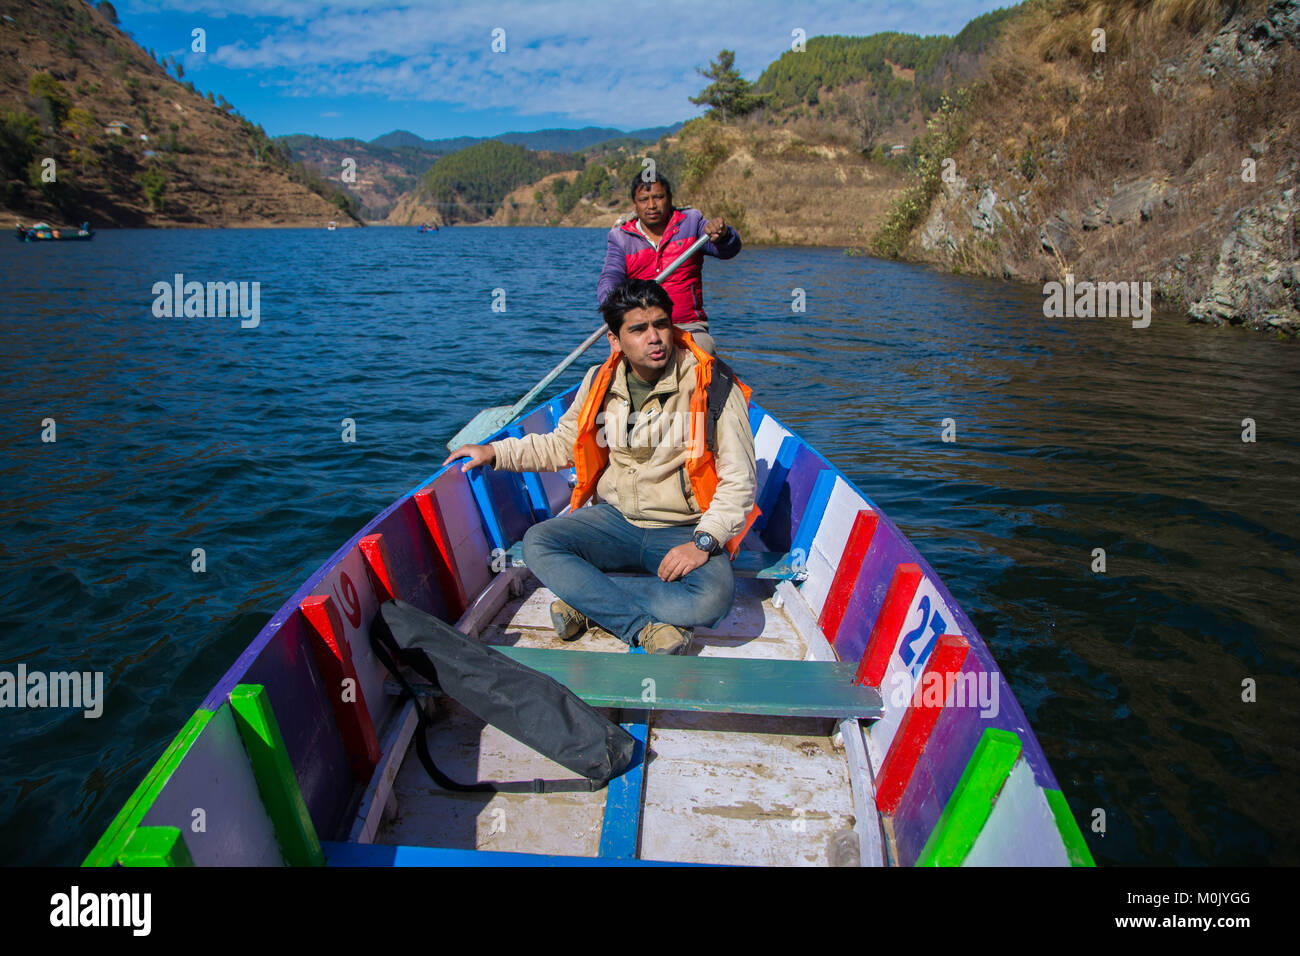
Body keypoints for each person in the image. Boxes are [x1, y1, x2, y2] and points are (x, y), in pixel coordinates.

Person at [443, 279, 758, 655]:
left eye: (661, 324)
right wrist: (495, 452)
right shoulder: (600, 380)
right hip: (615, 521)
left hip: (684, 526)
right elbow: (562, 445)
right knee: (539, 542)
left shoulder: (713, 383)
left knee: (713, 599)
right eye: (638, 330)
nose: (654, 337)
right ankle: (642, 628)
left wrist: (703, 542)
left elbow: (740, 480)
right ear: (615, 340)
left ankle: (589, 605)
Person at [597, 173, 741, 356]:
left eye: (658, 197)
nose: (651, 205)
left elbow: (729, 250)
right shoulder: (621, 237)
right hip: (641, 325)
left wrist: (724, 236)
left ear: (670, 198)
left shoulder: (692, 223)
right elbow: (610, 276)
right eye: (644, 200)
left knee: (704, 350)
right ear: (635, 204)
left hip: (687, 326)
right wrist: (612, 305)